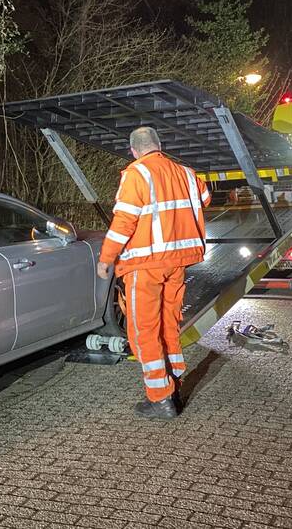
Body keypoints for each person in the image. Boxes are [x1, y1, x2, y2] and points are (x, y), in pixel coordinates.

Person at [96, 126, 211, 419]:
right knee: (168, 326)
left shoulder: (136, 173)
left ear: (134, 151)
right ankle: (174, 387)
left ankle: (160, 398)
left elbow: (124, 222)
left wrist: (106, 258)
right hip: (178, 263)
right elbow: (205, 198)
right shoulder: (186, 173)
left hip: (144, 266)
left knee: (143, 331)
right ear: (159, 146)